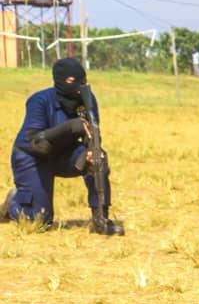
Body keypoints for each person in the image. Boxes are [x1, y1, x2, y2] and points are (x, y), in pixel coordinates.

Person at [2, 58, 123, 234]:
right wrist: (70, 127)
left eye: (82, 81)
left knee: (98, 159)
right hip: (32, 156)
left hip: (65, 154)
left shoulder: (88, 100)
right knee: (38, 222)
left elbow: (93, 134)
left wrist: (91, 150)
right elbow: (36, 141)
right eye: (72, 82)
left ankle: (100, 218)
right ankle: (13, 203)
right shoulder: (39, 100)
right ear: (59, 80)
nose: (78, 87)